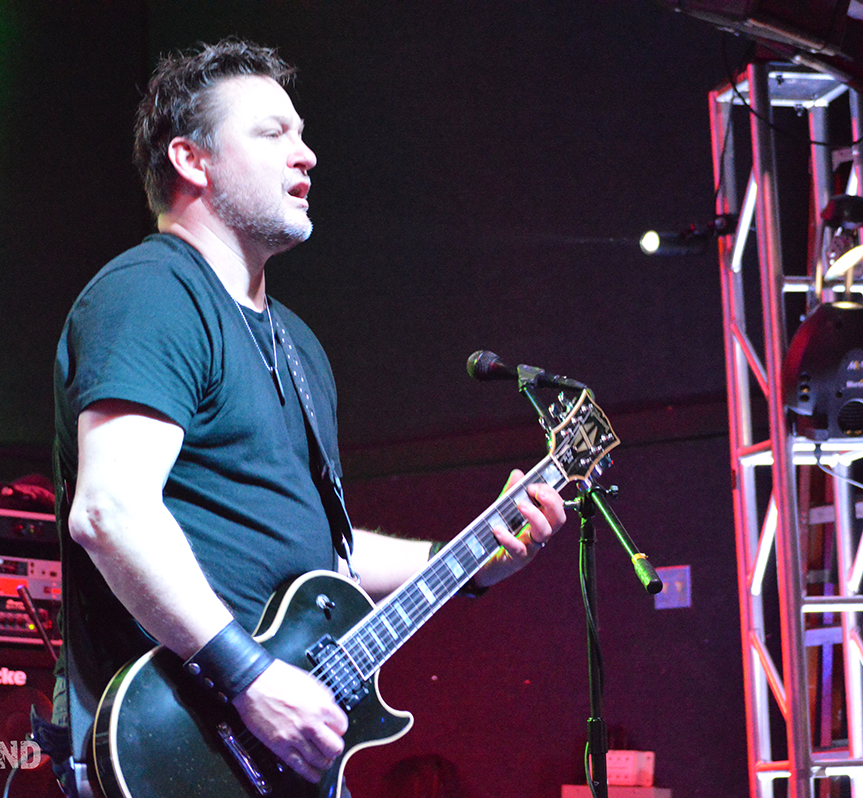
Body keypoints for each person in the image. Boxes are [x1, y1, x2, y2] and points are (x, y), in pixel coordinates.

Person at [51, 38, 566, 793]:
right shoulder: (153, 294)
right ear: (192, 160)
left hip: (279, 761)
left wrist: (474, 557)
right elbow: (110, 510)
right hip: (179, 749)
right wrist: (250, 677)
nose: (308, 154)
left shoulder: (299, 346)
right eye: (273, 133)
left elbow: (329, 559)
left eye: (301, 132)